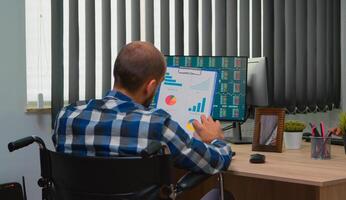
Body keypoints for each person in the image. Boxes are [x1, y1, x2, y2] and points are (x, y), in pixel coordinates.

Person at [52, 41, 234, 199]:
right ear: (151, 86)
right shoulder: (156, 125)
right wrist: (215, 139)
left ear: (117, 74)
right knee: (222, 195)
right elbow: (214, 162)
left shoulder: (66, 116)